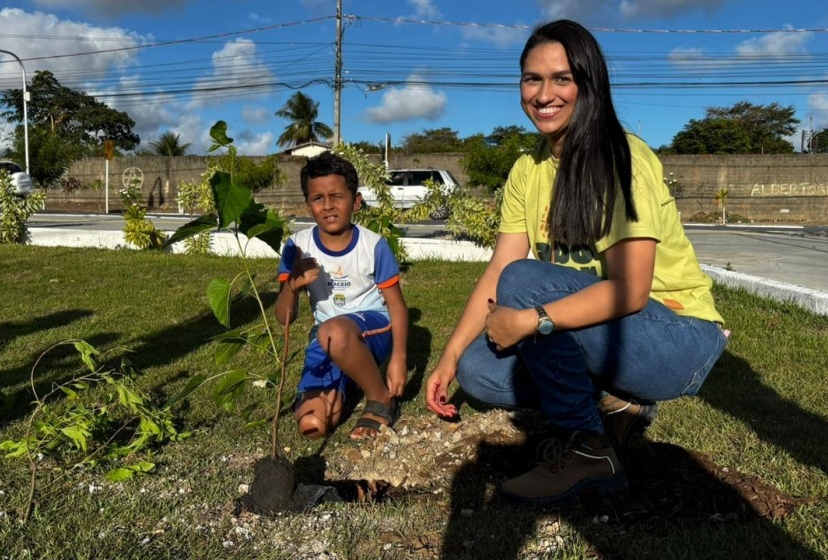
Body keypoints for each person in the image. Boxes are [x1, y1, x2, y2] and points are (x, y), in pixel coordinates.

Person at [424, 19, 727, 508]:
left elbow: (629, 290)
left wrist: (532, 320)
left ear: (588, 84)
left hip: (674, 337)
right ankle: (619, 402)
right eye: (532, 79)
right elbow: (497, 268)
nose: (544, 94)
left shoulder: (621, 158)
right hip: (602, 335)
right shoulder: (528, 168)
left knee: (523, 283)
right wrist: (450, 355)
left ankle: (588, 449)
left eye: (561, 79)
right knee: (477, 369)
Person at [275, 152, 408, 440]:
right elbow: (283, 319)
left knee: (334, 332)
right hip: (325, 337)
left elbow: (397, 307)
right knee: (312, 423)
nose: (328, 206)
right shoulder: (297, 247)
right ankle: (350, 376)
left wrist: (398, 358)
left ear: (356, 201)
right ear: (308, 204)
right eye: (318, 198)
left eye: (337, 196)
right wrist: (292, 285)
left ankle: (380, 397)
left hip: (373, 328)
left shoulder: (374, 246)